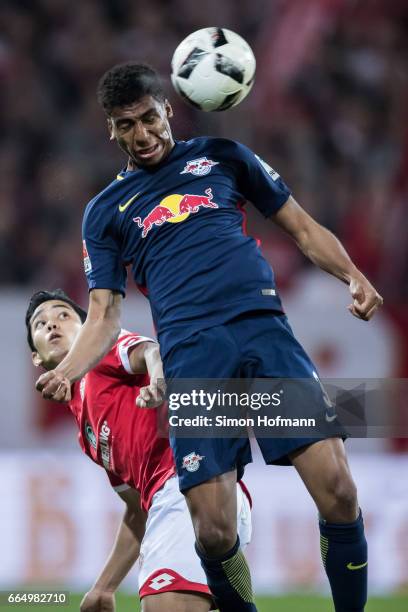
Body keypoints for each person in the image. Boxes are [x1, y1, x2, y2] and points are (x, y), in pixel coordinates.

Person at [36, 63, 383, 612]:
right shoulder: (104, 212)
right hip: (193, 358)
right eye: (126, 126)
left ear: (168, 109)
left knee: (339, 491)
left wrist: (353, 275)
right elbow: (102, 314)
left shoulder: (223, 157)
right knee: (214, 534)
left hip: (262, 332)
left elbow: (302, 227)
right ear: (111, 130)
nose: (142, 135)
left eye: (149, 118)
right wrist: (67, 370)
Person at [27, 288, 252, 612]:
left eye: (64, 315)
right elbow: (137, 509)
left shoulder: (101, 352)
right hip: (191, 501)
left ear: (88, 329)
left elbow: (150, 351)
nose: (52, 325)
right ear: (36, 356)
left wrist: (159, 379)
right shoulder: (87, 436)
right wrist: (104, 587)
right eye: (41, 323)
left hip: (190, 487)